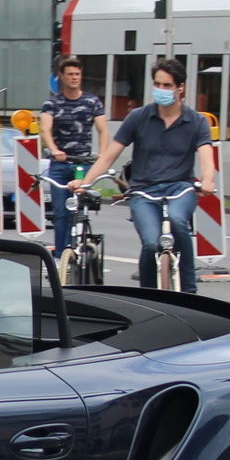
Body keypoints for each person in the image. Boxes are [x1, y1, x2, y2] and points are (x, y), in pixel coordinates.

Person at [78, 56, 215, 293]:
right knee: (151, 244)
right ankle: (148, 296)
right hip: (143, 191)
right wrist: (85, 182)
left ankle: (190, 290)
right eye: (157, 84)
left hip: (179, 188)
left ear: (180, 88)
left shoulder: (196, 121)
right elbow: (109, 156)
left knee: (178, 221)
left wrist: (208, 181)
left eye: (167, 85)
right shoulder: (138, 117)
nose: (161, 90)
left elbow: (206, 158)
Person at [39, 56, 107, 254]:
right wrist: (54, 150)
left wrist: (103, 154)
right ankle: (62, 254)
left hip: (83, 165)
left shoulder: (92, 101)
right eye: (70, 74)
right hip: (60, 165)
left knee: (78, 210)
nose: (74, 78)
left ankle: (80, 247)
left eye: (77, 74)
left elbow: (103, 130)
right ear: (61, 77)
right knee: (61, 212)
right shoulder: (52, 104)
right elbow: (45, 129)